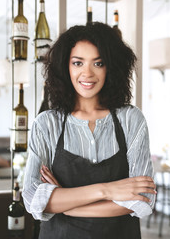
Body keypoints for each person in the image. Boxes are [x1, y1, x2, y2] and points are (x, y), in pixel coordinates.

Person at [22, 22, 156, 239]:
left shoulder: (131, 119)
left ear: (111, 67)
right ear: (65, 67)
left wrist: (65, 204)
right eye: (77, 63)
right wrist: (107, 190)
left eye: (98, 63)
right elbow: (32, 198)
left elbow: (143, 198)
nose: (87, 73)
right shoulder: (46, 124)